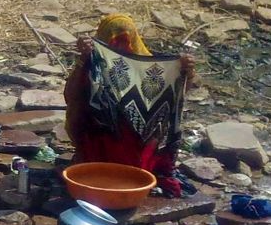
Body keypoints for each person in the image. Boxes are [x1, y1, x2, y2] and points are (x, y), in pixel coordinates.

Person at [63, 14, 196, 196]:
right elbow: (71, 95)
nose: (120, 46)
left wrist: (185, 71)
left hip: (139, 142)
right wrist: (85, 59)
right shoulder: (95, 62)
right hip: (101, 137)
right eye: (113, 41)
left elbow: (174, 97)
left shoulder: (149, 68)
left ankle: (139, 170)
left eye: (125, 40)